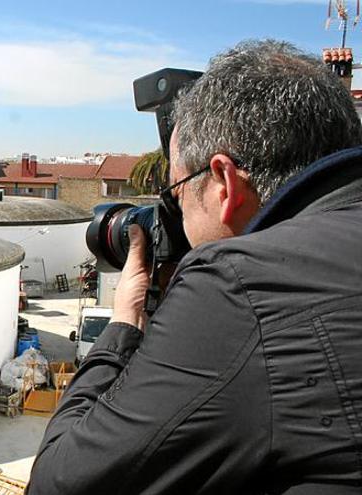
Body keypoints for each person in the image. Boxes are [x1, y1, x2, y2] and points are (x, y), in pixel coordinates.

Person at [27, 39, 362, 494]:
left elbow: (58, 483)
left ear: (225, 183)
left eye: (177, 193)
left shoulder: (239, 285)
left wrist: (124, 322)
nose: (175, 218)